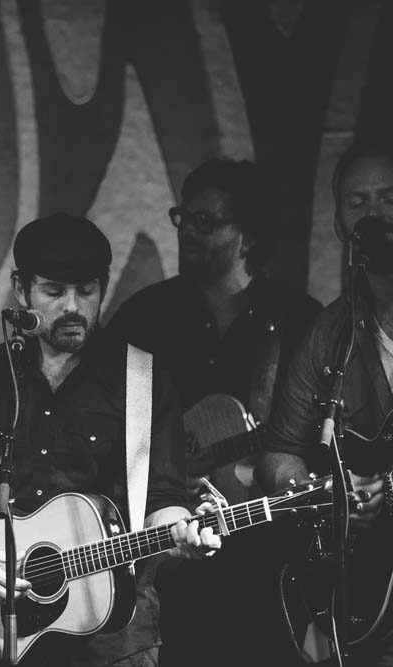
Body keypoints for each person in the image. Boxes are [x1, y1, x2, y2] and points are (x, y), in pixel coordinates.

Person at [0, 213, 221, 667]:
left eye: (87, 291)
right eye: (54, 291)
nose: (73, 306)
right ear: (21, 290)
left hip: (112, 637)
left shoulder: (142, 381)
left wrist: (184, 535)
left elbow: (162, 498)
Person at [107, 159, 321, 667]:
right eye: (183, 218)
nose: (187, 233)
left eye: (206, 222)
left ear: (247, 235)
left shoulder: (298, 322)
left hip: (264, 561)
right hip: (166, 565)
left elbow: (317, 440)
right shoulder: (144, 317)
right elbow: (100, 421)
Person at [258, 141, 393, 666]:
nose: (374, 214)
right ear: (339, 223)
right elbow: (278, 454)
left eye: (388, 197)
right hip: (371, 595)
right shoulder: (330, 333)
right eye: (357, 202)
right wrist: (332, 496)